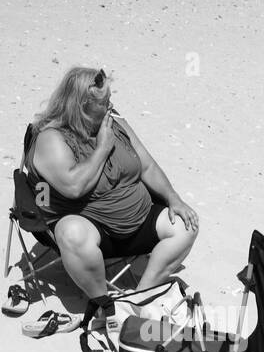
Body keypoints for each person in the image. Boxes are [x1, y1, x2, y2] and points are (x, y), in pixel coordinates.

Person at [23, 66, 199, 329]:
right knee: (71, 233)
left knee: (186, 225)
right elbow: (74, 187)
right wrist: (103, 147)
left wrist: (173, 198)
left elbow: (147, 165)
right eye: (103, 102)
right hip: (93, 228)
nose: (110, 105)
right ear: (82, 105)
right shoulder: (51, 138)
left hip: (139, 218)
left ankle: (138, 299)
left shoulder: (113, 121)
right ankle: (103, 303)